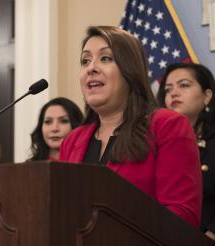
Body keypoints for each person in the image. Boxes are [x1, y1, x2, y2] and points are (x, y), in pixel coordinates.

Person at [59, 26, 202, 227]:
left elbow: (180, 216)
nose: (91, 68)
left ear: (130, 69)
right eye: (85, 61)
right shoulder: (72, 141)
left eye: (106, 58)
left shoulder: (167, 126)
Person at [157, 62, 215, 240]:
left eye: (184, 85)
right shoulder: (152, 141)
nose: (173, 93)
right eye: (167, 90)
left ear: (207, 96)